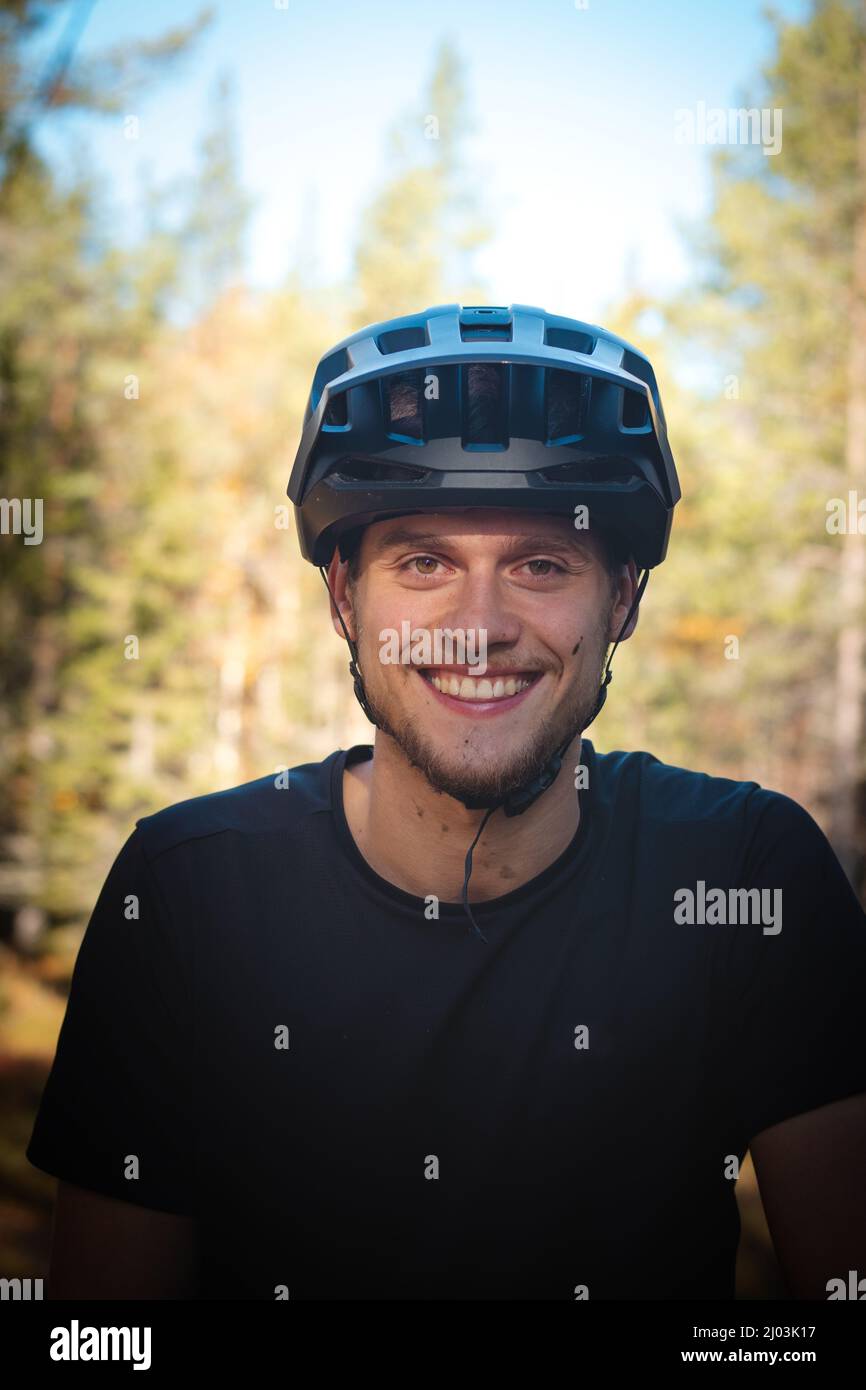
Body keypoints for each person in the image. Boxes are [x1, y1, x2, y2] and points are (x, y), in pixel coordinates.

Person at [27, 303, 866, 1300]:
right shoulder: (186, 892)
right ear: (344, 597)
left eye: (540, 564)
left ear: (622, 599)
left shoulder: (744, 872)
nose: (477, 627)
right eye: (423, 563)